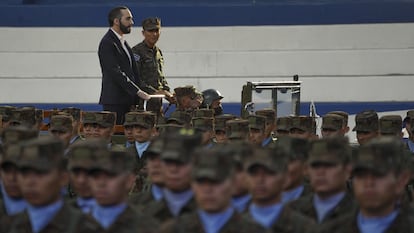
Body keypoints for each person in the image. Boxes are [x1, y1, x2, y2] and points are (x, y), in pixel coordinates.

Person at [1, 137, 97, 233]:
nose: (30, 182)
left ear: (63, 178)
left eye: (41, 173)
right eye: (24, 172)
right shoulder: (7, 225)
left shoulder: (86, 227)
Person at [160, 146, 266, 233]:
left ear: (231, 183)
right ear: (192, 184)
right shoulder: (174, 230)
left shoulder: (254, 231)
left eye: (216, 182)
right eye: (201, 182)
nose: (208, 190)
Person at [319, 137, 414, 233]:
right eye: (361, 175)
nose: (368, 183)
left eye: (378, 174)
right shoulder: (331, 229)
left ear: (401, 180)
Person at [98, 6, 150, 124]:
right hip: (115, 101)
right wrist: (137, 91)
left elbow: (132, 72)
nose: (131, 22)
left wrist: (136, 98)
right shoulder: (107, 43)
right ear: (116, 21)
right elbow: (114, 72)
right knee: (117, 137)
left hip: (127, 101)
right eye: (128, 19)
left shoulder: (123, 42)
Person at [243, 147, 316, 232]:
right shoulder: (233, 227)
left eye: (270, 173)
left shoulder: (305, 227)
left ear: (285, 178)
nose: (260, 180)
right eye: (254, 174)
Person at [88, 145, 158, 232]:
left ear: (129, 180)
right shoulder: (75, 223)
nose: (101, 183)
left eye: (111, 176)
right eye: (96, 176)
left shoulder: (147, 227)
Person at [288, 137, 357, 225]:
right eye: (315, 166)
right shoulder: (291, 210)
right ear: (306, 170)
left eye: (329, 165)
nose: (320, 172)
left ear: (347, 170)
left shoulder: (362, 214)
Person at [140, 129, 201, 223]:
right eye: (168, 162)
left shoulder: (209, 207)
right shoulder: (139, 208)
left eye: (179, 162)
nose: (173, 169)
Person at [131, 17, 173, 116]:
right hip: (142, 103)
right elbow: (135, 79)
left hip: (157, 103)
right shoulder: (137, 52)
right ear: (143, 33)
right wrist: (156, 92)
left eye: (156, 30)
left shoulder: (158, 52)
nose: (154, 34)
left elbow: (160, 75)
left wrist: (168, 92)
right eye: (150, 31)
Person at [66, 139, 107, 214]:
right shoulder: (61, 212)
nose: (81, 180)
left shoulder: (122, 214)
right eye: (76, 173)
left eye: (90, 172)